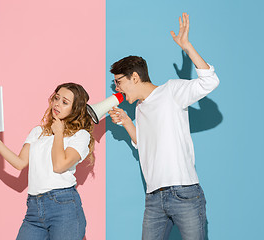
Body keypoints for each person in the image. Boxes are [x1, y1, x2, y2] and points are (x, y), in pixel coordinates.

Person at [108, 13, 219, 240]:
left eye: (119, 82)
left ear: (135, 77)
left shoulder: (171, 91)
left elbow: (210, 81)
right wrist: (128, 123)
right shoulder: (139, 108)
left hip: (184, 192)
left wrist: (187, 47)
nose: (117, 89)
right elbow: (144, 145)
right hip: (154, 198)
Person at [0, 83, 94, 240]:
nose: (57, 104)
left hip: (64, 206)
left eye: (65, 102)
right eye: (56, 98)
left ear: (75, 109)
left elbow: (59, 165)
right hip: (34, 207)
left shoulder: (80, 136)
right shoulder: (38, 132)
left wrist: (59, 133)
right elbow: (20, 162)